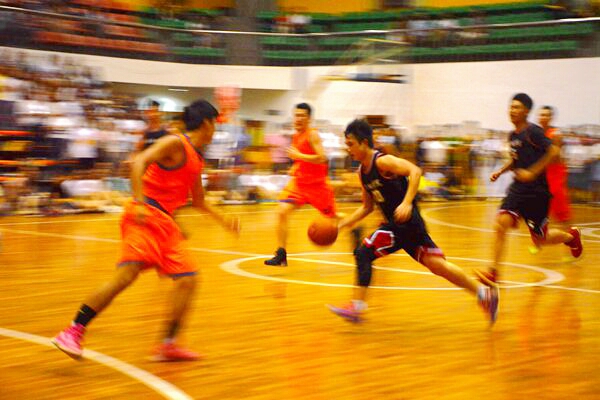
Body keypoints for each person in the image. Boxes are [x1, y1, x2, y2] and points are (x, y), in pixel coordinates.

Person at [52, 99, 240, 362]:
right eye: (215, 124)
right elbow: (139, 162)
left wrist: (224, 220)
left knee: (188, 280)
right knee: (126, 275)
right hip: (144, 214)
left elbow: (199, 200)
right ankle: (73, 330)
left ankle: (168, 345)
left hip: (166, 223)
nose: (215, 130)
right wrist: (140, 202)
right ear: (207, 123)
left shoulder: (196, 157)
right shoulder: (175, 143)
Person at [327, 119, 499, 324]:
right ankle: (484, 295)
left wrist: (407, 202)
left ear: (364, 143)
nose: (347, 149)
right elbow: (367, 207)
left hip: (406, 223)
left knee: (364, 252)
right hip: (399, 226)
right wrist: (341, 224)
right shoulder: (362, 172)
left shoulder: (383, 161)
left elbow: (415, 171)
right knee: (438, 266)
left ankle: (357, 307)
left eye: (350, 144)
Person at [476, 94, 583, 285]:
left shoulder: (534, 132)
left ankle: (570, 237)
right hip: (518, 189)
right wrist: (500, 171)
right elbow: (515, 159)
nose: (512, 110)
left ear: (526, 111)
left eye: (517, 107)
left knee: (541, 239)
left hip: (537, 193)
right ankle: (493, 272)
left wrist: (533, 172)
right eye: (511, 107)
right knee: (500, 223)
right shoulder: (513, 135)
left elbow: (554, 151)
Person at [264, 103, 337, 266]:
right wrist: (295, 166)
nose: (298, 118)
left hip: (318, 186)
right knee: (282, 211)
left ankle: (355, 231)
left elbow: (322, 158)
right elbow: (302, 159)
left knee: (334, 219)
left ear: (309, 118)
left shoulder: (313, 135)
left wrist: (299, 156)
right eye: (296, 115)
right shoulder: (296, 136)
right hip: (300, 184)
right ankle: (281, 254)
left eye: (302, 115)